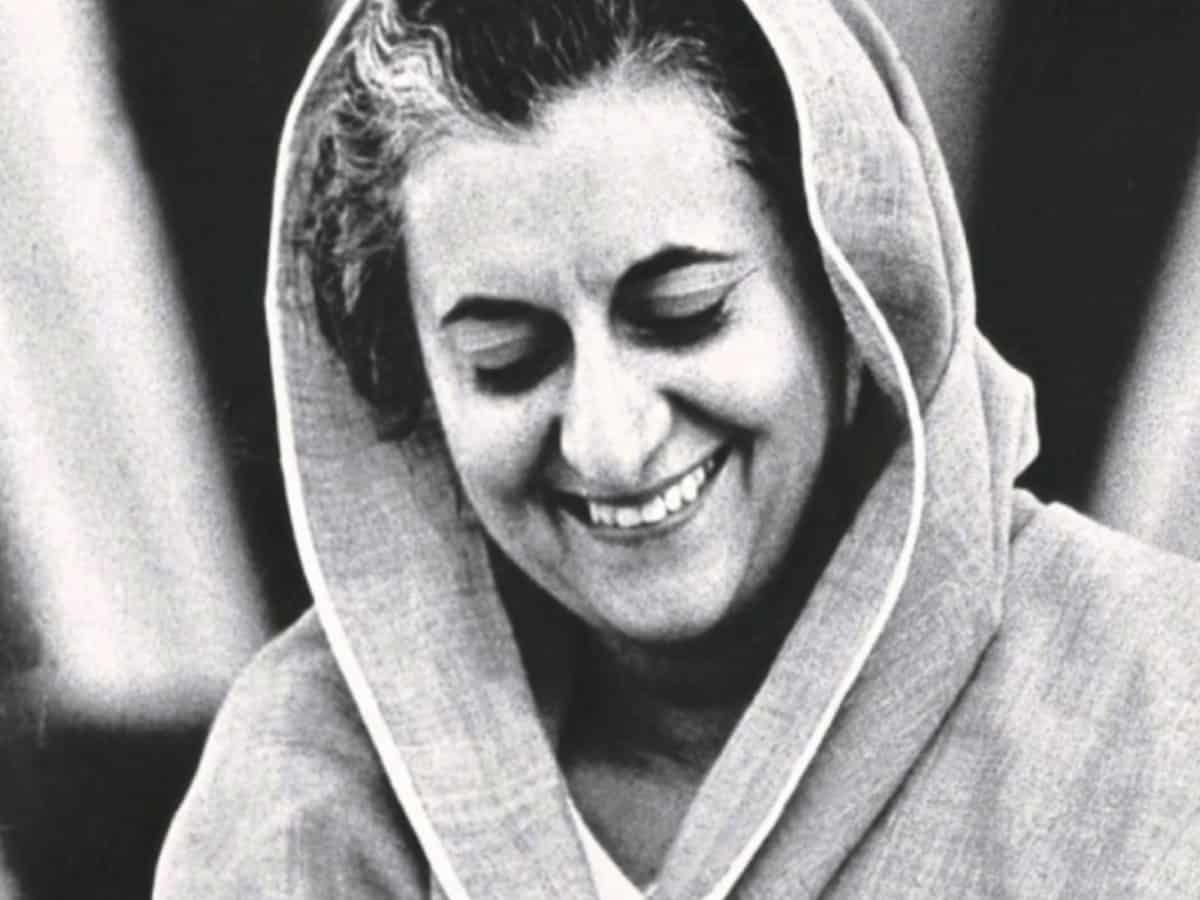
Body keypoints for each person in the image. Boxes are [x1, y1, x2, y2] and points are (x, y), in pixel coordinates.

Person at [154, 0, 1200, 897]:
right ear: (420, 395)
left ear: (852, 298)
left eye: (682, 315)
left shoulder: (1158, 711)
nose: (611, 442)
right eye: (509, 361)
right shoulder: (302, 794)